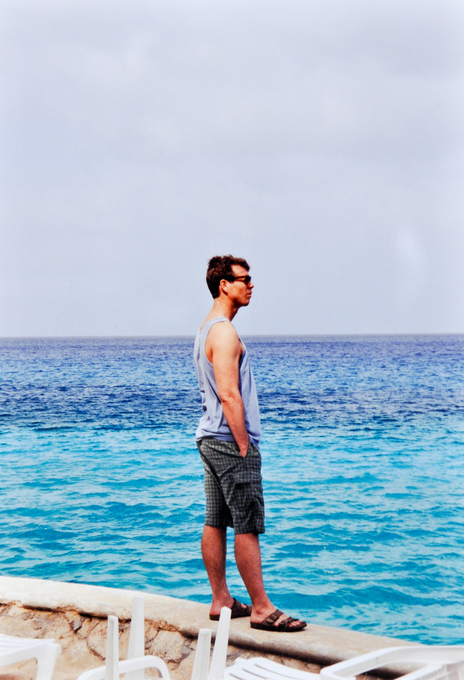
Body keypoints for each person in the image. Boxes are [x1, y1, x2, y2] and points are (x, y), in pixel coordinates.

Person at [193, 255, 306, 632]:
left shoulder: (206, 329)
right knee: (247, 524)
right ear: (224, 285)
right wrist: (244, 444)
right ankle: (261, 608)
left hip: (210, 437)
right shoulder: (224, 332)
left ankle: (221, 599)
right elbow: (229, 393)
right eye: (244, 279)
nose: (251, 285)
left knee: (215, 520)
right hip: (229, 441)